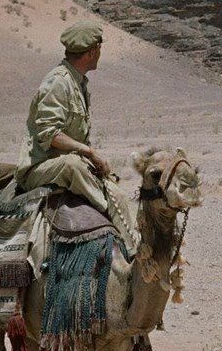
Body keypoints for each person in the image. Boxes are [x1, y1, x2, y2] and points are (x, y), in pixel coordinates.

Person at [15, 19, 136, 252]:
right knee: (74, 165)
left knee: (116, 190)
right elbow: (49, 134)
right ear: (92, 52)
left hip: (65, 165)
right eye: (99, 48)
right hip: (41, 167)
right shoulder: (58, 83)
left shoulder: (77, 82)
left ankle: (133, 238)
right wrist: (89, 152)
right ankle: (114, 227)